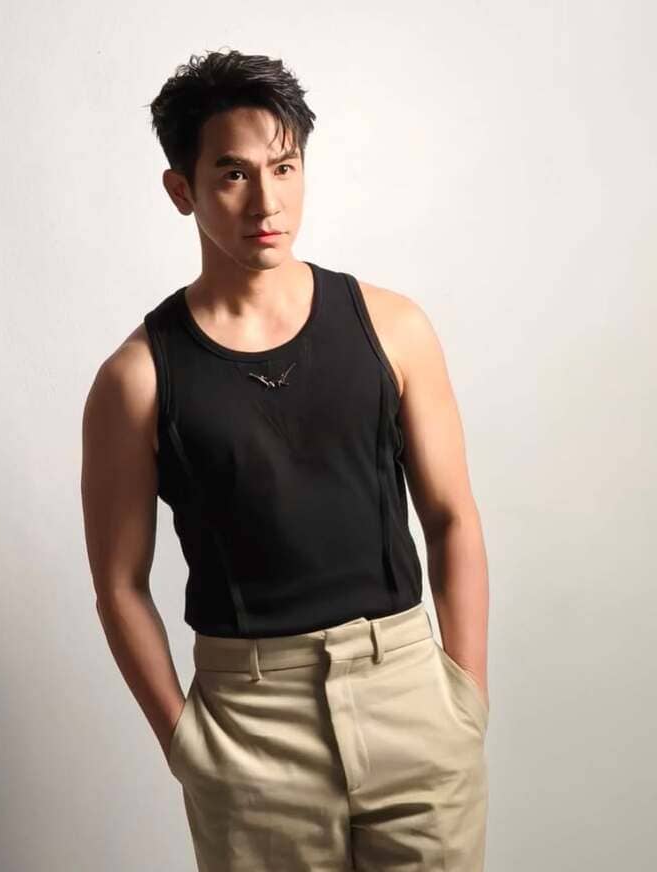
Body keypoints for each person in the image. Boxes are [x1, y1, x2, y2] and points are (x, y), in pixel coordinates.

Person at [81, 47, 490, 872]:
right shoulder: (137, 378)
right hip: (249, 723)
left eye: (284, 167)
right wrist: (186, 743)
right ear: (182, 190)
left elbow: (451, 517)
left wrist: (465, 695)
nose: (266, 202)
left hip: (410, 697)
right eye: (233, 174)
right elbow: (119, 584)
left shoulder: (392, 326)